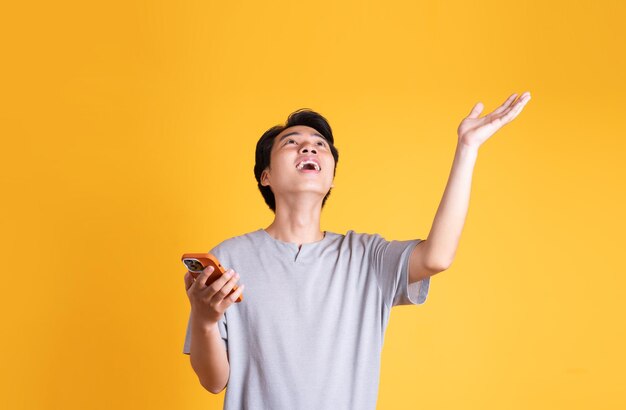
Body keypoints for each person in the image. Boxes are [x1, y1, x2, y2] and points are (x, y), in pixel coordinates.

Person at [182, 92, 531, 409]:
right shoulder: (229, 259)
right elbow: (214, 382)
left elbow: (437, 257)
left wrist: (467, 149)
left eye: (320, 145)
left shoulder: (366, 257)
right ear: (266, 176)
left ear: (332, 176)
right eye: (292, 143)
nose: (309, 148)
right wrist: (205, 318)